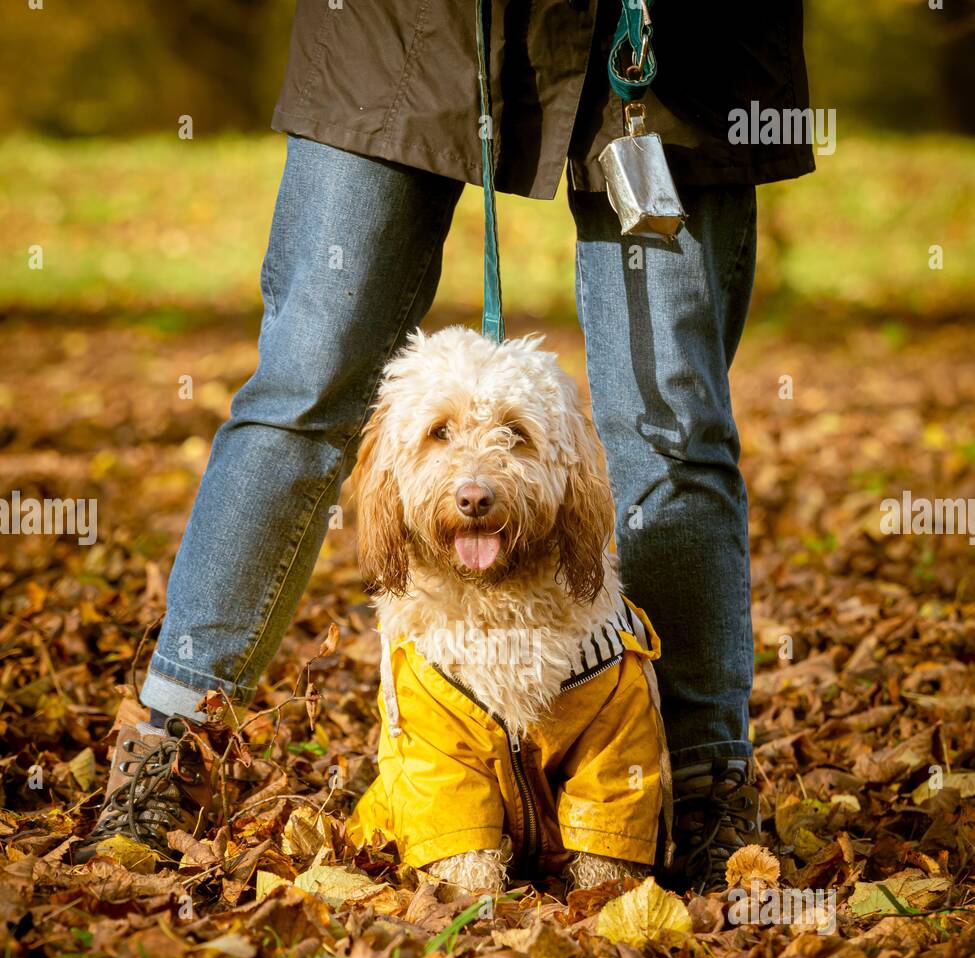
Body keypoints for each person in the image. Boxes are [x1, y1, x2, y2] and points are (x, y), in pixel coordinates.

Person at [76, 0, 814, 892]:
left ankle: (695, 785)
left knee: (674, 427)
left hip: (667, 43)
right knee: (304, 384)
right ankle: (170, 744)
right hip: (399, 26)